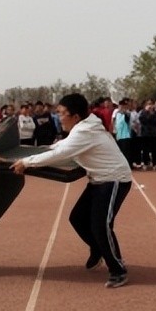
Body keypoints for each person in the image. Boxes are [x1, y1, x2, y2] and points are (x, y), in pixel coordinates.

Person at [11, 93, 133, 288]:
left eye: (61, 114)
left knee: (101, 225)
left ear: (75, 116)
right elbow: (60, 146)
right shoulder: (84, 127)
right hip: (99, 180)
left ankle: (118, 270)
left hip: (114, 179)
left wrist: (27, 162)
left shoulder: (85, 132)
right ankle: (98, 248)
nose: (59, 118)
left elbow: (61, 153)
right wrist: (35, 151)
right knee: (77, 218)